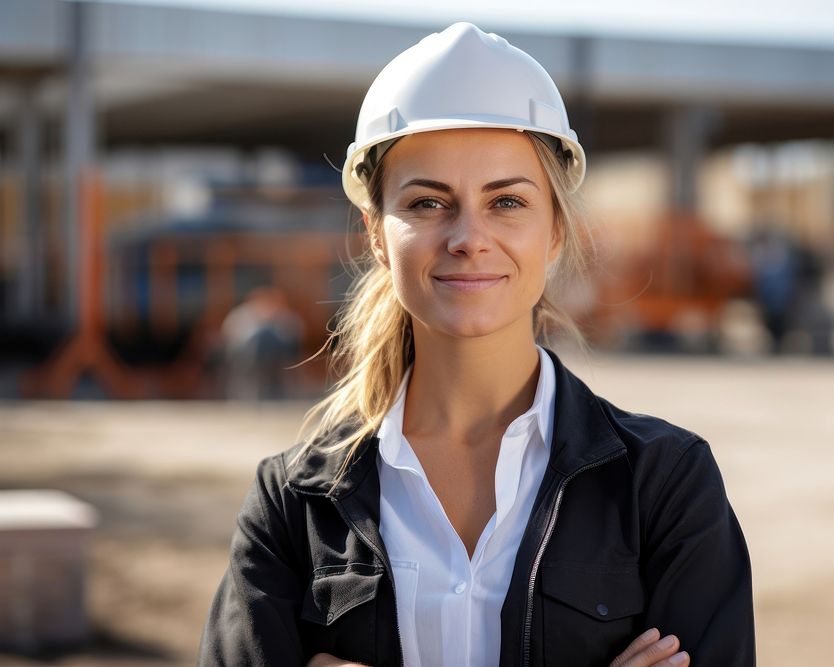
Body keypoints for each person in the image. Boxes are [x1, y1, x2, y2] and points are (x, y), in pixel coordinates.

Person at [198, 23, 754, 667]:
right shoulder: (293, 504)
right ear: (377, 234)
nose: (468, 236)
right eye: (429, 203)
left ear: (553, 231)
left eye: (507, 201)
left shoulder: (665, 484)